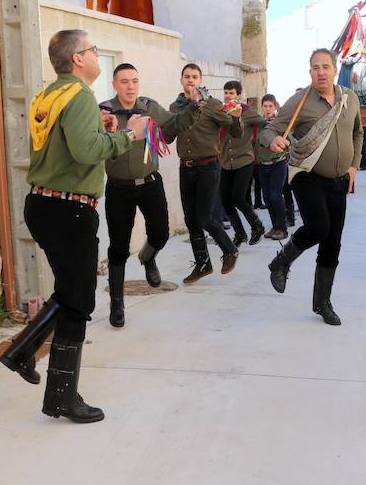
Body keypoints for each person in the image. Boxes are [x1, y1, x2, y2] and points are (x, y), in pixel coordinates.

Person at [0, 29, 149, 423]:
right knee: (80, 300)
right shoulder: (81, 96)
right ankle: (61, 395)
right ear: (78, 58)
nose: (98, 56)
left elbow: (66, 144)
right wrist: (128, 137)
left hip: (44, 204)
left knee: (70, 293)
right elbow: (86, 152)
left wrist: (101, 129)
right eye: (93, 50)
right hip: (71, 210)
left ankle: (23, 356)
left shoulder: (51, 93)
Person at [262, 48, 363, 326]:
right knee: (319, 227)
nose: (321, 72)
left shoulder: (349, 98)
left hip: (340, 181)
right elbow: (269, 129)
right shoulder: (301, 100)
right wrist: (272, 141)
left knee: (332, 243)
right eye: (315, 68)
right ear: (310, 73)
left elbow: (358, 132)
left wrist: (353, 166)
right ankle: (282, 261)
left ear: (334, 69)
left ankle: (322, 303)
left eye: (325, 67)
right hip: (307, 175)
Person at [99, 63, 204, 327]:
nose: (130, 86)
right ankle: (117, 304)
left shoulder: (149, 107)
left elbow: (173, 126)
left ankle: (148, 257)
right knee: (118, 247)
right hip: (118, 187)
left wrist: (193, 108)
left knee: (160, 233)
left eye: (134, 80)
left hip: (149, 183)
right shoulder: (102, 112)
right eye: (124, 81)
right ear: (114, 85)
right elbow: (97, 147)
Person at [171, 64, 243, 284]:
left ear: (201, 80)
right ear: (181, 79)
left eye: (194, 77)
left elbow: (236, 132)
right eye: (187, 76)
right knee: (191, 220)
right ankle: (202, 264)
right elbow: (168, 135)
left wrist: (237, 117)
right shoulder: (176, 107)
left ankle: (230, 249)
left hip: (208, 167)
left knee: (204, 217)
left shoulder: (212, 105)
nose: (190, 80)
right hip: (186, 167)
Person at [219, 80, 267, 248]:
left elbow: (264, 125)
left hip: (245, 160)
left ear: (238, 95)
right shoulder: (220, 112)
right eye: (225, 92)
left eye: (231, 93)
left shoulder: (247, 112)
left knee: (238, 198)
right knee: (225, 200)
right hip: (225, 162)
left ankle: (257, 226)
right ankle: (240, 234)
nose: (227, 96)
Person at [256, 94, 289, 240]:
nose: (268, 109)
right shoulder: (258, 123)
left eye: (270, 106)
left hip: (278, 164)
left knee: (276, 196)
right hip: (263, 165)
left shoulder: (279, 123)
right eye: (265, 106)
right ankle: (274, 227)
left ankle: (282, 229)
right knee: (267, 197)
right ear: (261, 107)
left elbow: (288, 140)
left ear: (275, 107)